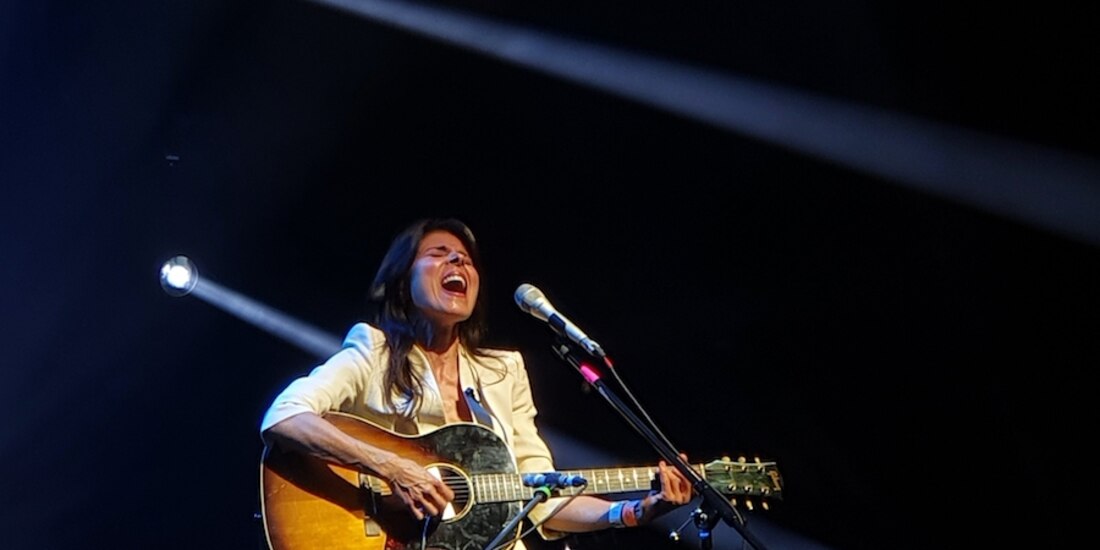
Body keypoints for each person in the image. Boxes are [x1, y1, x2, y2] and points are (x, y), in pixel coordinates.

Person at [260, 217, 693, 549]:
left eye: (466, 258)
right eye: (439, 252)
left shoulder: (503, 372)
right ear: (401, 281)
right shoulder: (373, 351)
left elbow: (541, 494)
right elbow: (284, 417)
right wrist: (390, 467)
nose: (459, 261)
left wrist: (635, 510)